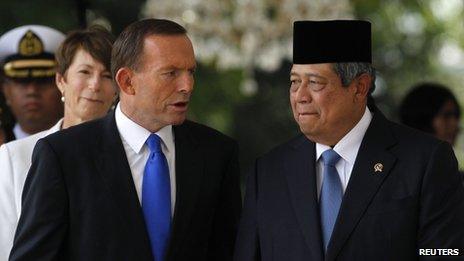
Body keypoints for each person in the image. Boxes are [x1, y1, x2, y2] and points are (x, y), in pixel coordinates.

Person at [10, 19, 241, 261]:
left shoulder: (217, 153)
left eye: (190, 72)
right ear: (127, 82)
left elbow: (229, 250)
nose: (187, 85)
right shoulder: (63, 155)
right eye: (170, 73)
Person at [234, 20, 464, 261]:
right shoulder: (269, 171)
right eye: (294, 82)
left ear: (359, 87)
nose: (300, 96)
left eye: (314, 83)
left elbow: (444, 253)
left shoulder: (424, 161)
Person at [0, 25, 117, 261]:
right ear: (61, 80)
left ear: (118, 88)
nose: (95, 85)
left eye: (107, 76)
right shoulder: (15, 156)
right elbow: (7, 246)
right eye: (84, 72)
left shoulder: (134, 155)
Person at [0, 25, 64, 141]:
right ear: (5, 89)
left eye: (43, 81)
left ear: (62, 85)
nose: (32, 91)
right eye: (21, 82)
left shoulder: (81, 142)